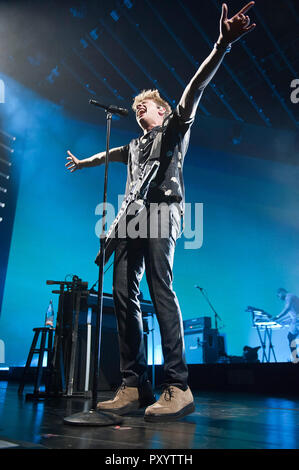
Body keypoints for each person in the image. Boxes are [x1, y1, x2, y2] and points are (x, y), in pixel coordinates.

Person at [66, 2, 256, 421]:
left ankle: (178, 385)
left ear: (162, 110)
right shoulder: (133, 146)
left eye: (145, 105)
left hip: (162, 210)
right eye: (135, 107)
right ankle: (132, 385)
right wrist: (83, 163)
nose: (139, 110)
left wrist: (221, 45)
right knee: (121, 293)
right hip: (131, 217)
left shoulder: (174, 125)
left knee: (159, 287)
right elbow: (108, 154)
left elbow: (194, 89)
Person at [273, 288, 299, 363]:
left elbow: (287, 309)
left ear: (282, 292)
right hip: (296, 321)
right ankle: (295, 357)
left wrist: (278, 317)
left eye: (278, 295)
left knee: (291, 337)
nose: (279, 297)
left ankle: (295, 358)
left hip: (297, 322)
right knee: (291, 338)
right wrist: (278, 320)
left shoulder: (289, 296)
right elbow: (289, 314)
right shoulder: (291, 297)